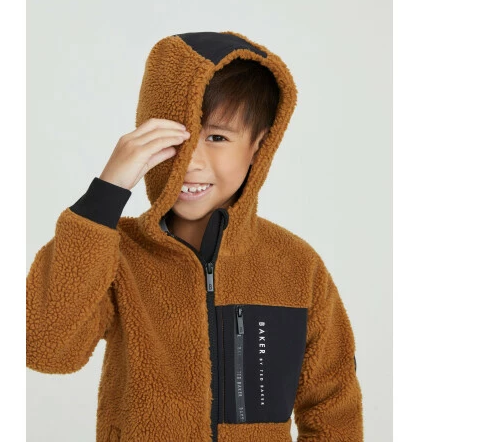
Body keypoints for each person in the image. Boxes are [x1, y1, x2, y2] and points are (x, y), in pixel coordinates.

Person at [26, 30, 364, 441]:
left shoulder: (295, 265)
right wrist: (106, 193)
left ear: (259, 146)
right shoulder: (115, 254)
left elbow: (333, 409)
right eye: (176, 138)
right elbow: (44, 348)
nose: (191, 162)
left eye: (217, 137)